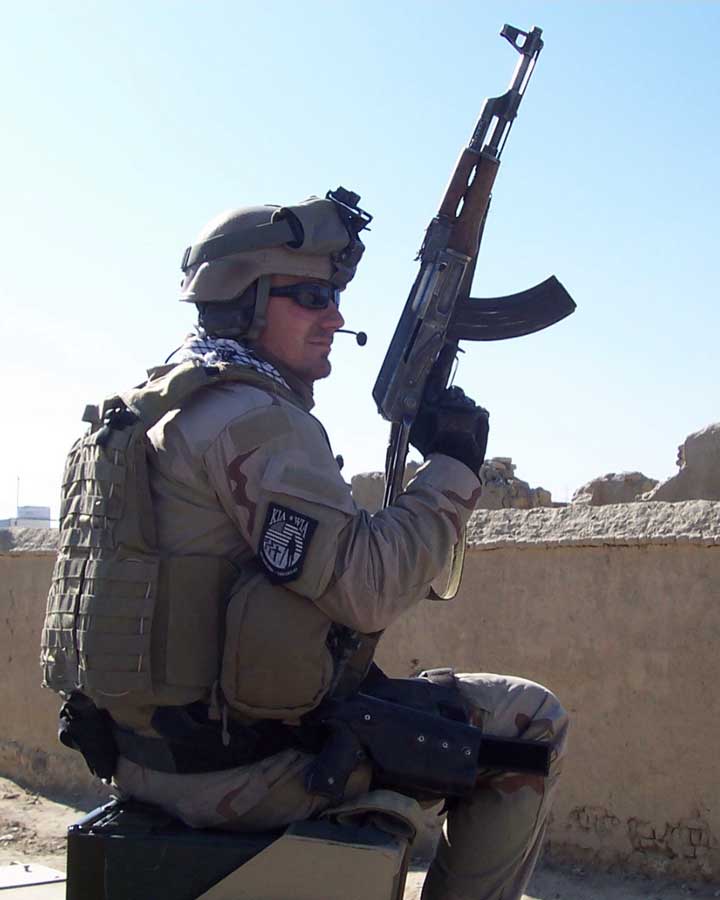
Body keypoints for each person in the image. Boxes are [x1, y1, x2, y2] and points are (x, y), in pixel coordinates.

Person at [41, 189, 568, 900]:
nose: (336, 316)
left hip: (145, 757)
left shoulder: (141, 410)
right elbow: (368, 589)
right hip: (245, 774)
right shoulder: (254, 419)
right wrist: (452, 469)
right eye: (313, 295)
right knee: (529, 723)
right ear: (250, 300)